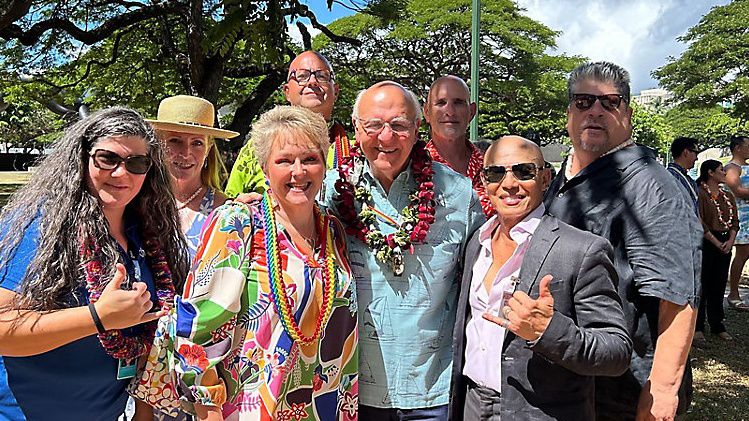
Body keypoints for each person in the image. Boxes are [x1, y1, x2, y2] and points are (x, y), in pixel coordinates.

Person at [0, 108, 189, 420]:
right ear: (82, 159)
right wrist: (98, 317)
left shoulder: (147, 235)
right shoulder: (43, 229)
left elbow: (151, 339)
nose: (121, 174)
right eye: (107, 159)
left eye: (137, 163)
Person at [172, 105, 358, 420]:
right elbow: (198, 329)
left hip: (323, 406)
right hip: (251, 409)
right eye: (284, 160)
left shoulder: (332, 230)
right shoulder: (240, 223)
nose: (298, 172)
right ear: (264, 167)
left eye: (310, 159)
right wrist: (209, 410)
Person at [544, 61, 702, 421]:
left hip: (626, 388)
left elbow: (678, 296)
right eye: (584, 102)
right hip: (576, 376)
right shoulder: (569, 178)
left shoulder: (650, 185)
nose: (595, 111)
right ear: (570, 113)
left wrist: (661, 390)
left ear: (627, 114)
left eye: (609, 103)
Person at [324, 81, 485, 419]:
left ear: (416, 128)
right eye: (374, 125)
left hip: (432, 390)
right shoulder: (329, 194)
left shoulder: (458, 194)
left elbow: (483, 273)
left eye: (398, 125)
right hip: (352, 388)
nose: (386, 137)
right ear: (356, 127)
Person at [449, 136, 632, 420]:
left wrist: (549, 331)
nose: (509, 183)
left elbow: (617, 352)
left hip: (540, 412)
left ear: (546, 178)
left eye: (523, 171)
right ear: (484, 182)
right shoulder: (476, 242)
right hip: (471, 405)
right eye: (496, 173)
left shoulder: (582, 250)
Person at [225, 50, 350, 197]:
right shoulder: (258, 146)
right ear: (287, 92)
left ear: (335, 91)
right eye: (302, 76)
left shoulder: (356, 149)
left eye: (322, 76)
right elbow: (229, 200)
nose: (312, 81)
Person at [147, 95, 240, 261]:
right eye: (175, 141)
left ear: (208, 149)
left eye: (197, 143)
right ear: (158, 144)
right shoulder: (139, 200)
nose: (186, 153)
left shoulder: (224, 211)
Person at [423, 75, 493, 217]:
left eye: (458, 102)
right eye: (441, 103)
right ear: (427, 112)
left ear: (472, 112)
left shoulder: (493, 166)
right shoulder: (414, 168)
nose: (450, 111)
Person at [695, 159, 738, 342]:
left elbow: (735, 221)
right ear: (710, 173)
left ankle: (717, 324)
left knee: (719, 284)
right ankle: (698, 327)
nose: (724, 173)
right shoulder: (700, 194)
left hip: (725, 241)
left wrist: (730, 241)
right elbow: (700, 220)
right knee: (703, 284)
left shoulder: (726, 196)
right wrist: (714, 241)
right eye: (721, 170)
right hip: (707, 242)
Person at [723, 134, 749, 310]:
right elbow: (737, 190)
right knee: (742, 254)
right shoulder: (732, 168)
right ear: (738, 147)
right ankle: (733, 293)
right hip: (743, 217)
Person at [668, 136, 700, 213]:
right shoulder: (672, 177)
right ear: (686, 152)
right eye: (696, 153)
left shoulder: (676, 176)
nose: (697, 158)